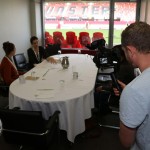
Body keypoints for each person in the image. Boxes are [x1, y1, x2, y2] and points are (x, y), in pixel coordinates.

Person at [115, 21, 150, 150]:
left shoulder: (133, 91)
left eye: (124, 51)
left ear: (130, 51)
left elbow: (126, 141)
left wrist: (128, 98)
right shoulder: (134, 91)